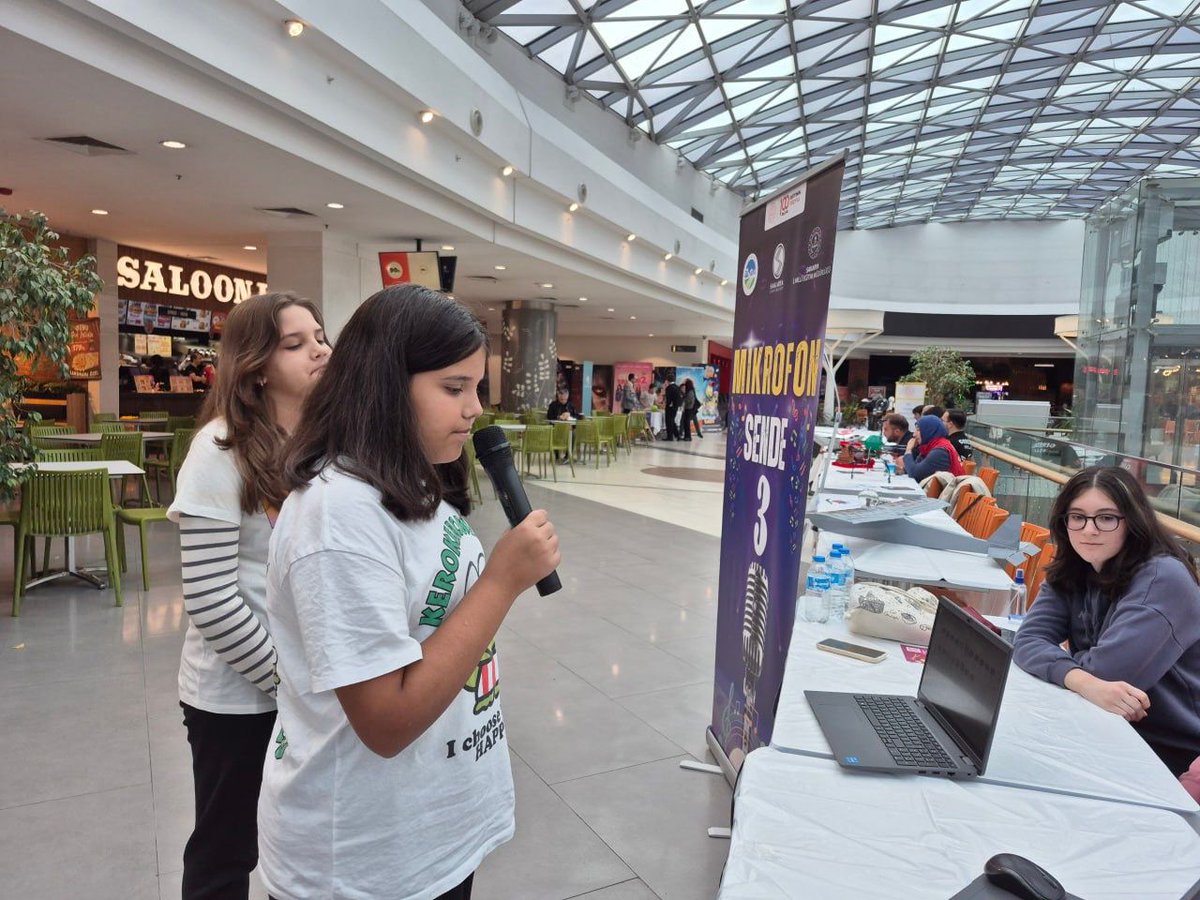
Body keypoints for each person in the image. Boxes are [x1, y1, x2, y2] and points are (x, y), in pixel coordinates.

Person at [260, 285, 560, 900]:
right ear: (384, 386)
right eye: (454, 389)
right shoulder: (336, 518)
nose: (475, 409)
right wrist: (502, 581)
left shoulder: (410, 482)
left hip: (430, 833)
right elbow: (387, 720)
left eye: (477, 387)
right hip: (362, 862)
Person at [167, 291, 331, 899]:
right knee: (227, 848)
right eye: (296, 343)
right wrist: (288, 683)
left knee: (304, 841)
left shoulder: (325, 444)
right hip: (236, 698)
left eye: (319, 335)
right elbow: (210, 599)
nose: (319, 349)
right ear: (257, 364)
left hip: (311, 689)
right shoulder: (219, 449)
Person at [1013, 466, 1200, 777]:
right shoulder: (1076, 566)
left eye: (1106, 518)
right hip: (1099, 727)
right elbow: (1028, 640)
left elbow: (1108, 672)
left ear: (1133, 521)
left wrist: (1072, 669)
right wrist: (1082, 680)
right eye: (1078, 517)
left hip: (1167, 753)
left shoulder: (1163, 579)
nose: (1089, 530)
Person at [895, 414, 963, 481]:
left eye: (918, 430)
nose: (914, 434)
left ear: (929, 431)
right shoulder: (930, 446)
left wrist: (908, 450)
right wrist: (901, 470)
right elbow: (915, 467)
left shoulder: (940, 451)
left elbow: (914, 474)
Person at [664, 376, 681, 440]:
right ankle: (677, 435)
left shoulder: (669, 388)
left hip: (670, 407)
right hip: (675, 407)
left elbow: (668, 399)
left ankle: (670, 437)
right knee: (672, 421)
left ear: (668, 380)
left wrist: (667, 404)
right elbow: (679, 398)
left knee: (669, 422)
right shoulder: (677, 387)